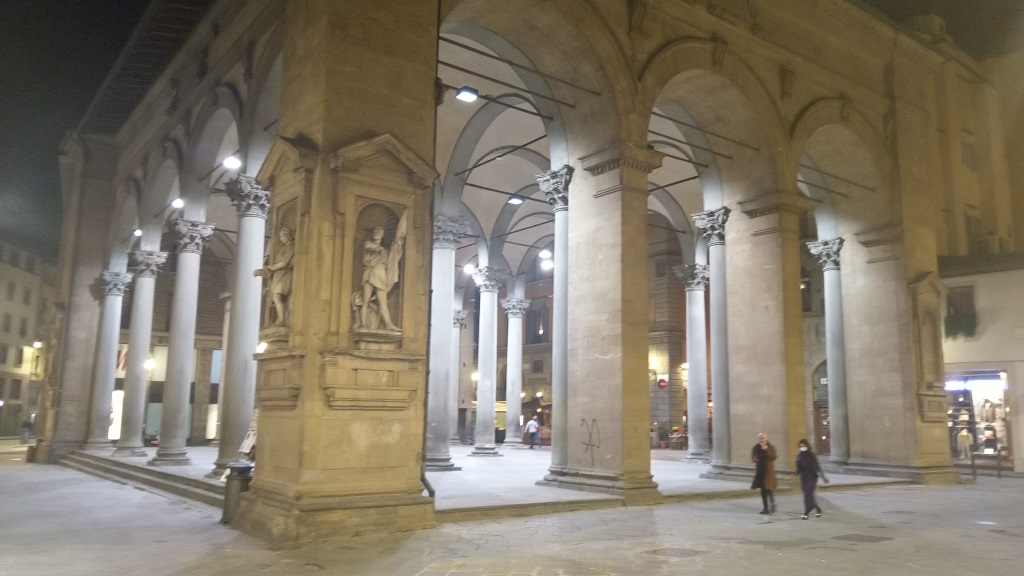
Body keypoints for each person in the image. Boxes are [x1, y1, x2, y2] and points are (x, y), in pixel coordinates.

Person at [255, 226, 294, 326]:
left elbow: (284, 262)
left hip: (285, 274)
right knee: (276, 296)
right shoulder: (284, 248)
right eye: (280, 237)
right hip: (279, 274)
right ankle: (281, 319)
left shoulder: (290, 247)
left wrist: (272, 267)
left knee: (276, 296)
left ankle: (281, 320)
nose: (281, 239)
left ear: (287, 236)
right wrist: (266, 270)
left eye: (282, 236)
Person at [795, 438, 829, 519]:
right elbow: (799, 467)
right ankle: (818, 509)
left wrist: (824, 477)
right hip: (804, 478)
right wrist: (796, 474)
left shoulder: (811, 455)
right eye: (800, 446)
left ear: (807, 446)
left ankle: (806, 513)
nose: (802, 447)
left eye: (803, 446)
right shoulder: (799, 455)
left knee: (808, 495)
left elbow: (818, 466)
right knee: (808, 496)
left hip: (812, 478)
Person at [751, 432, 777, 514]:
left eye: (763, 438)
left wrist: (766, 450)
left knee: (769, 490)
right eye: (760, 438)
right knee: (763, 491)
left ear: (766, 439)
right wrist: (754, 459)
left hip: (768, 473)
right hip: (760, 472)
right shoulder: (756, 447)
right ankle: (765, 508)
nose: (761, 440)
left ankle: (772, 505)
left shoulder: (771, 447)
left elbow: (774, 457)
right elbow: (753, 457)